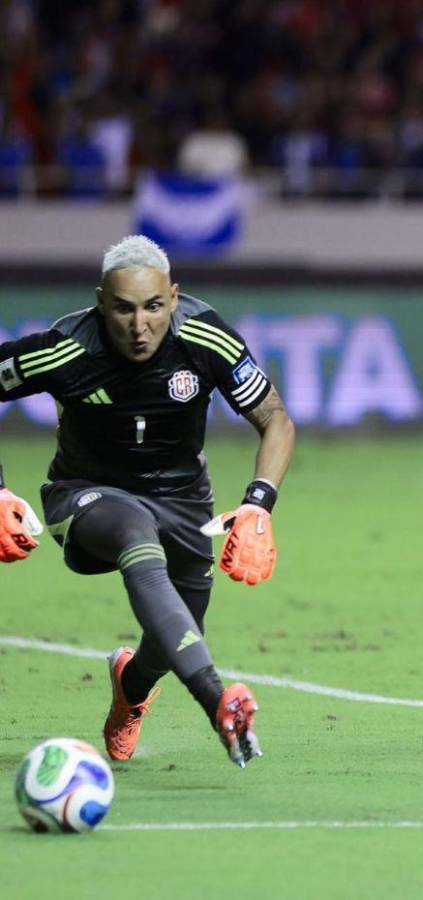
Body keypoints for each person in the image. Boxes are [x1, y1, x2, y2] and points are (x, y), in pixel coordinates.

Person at [0, 235, 296, 768]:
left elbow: (275, 419)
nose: (140, 326)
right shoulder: (65, 348)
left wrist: (258, 505)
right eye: (124, 309)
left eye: (154, 307)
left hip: (183, 498)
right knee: (136, 535)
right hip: (85, 494)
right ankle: (218, 702)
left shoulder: (207, 338)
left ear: (174, 298)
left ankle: (131, 688)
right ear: (101, 303)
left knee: (177, 631)